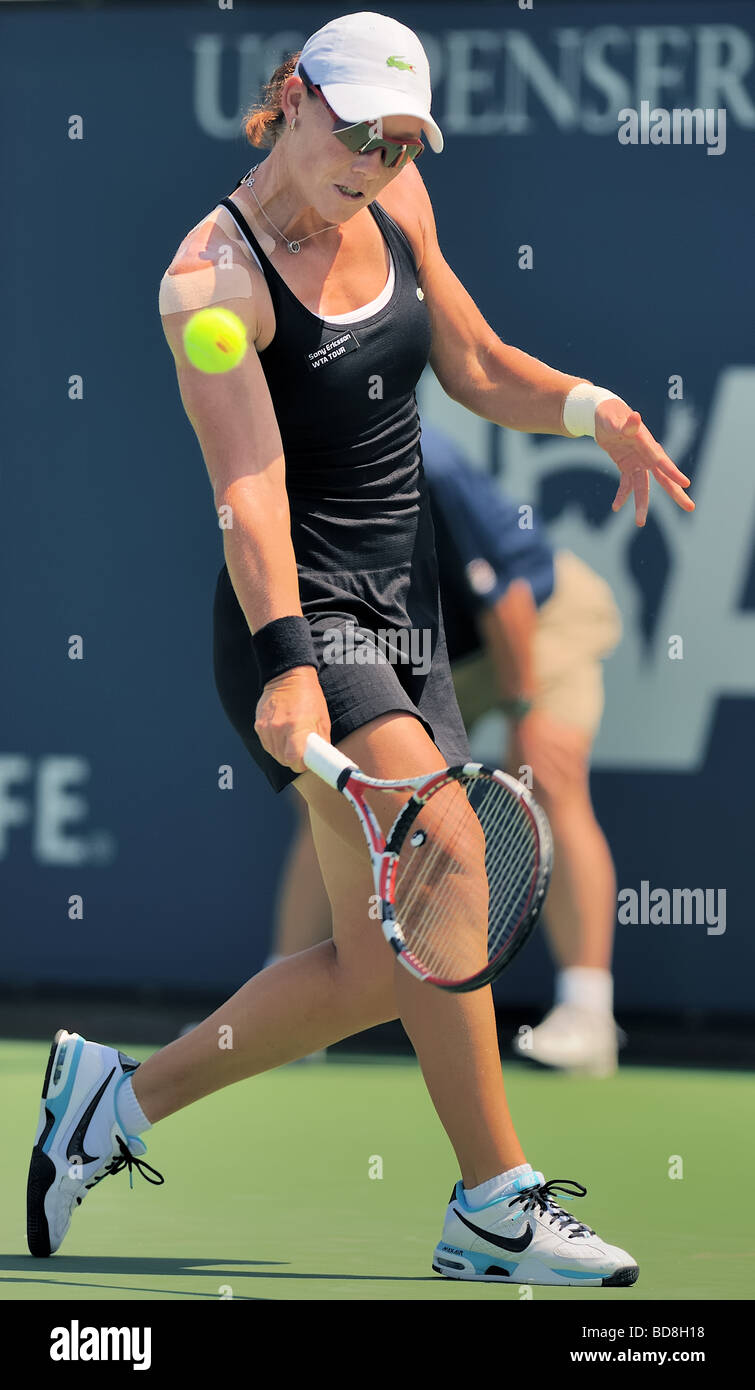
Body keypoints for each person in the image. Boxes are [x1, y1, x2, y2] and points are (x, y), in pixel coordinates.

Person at [26, 12, 693, 1284]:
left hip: (409, 616)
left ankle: (107, 1102)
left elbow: (477, 361)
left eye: (396, 144)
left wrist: (588, 408)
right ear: (290, 99)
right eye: (354, 133)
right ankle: (494, 1202)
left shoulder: (400, 204)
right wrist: (285, 660)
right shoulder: (209, 279)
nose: (372, 163)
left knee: (375, 969)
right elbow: (251, 491)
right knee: (447, 860)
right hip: (300, 614)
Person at [268, 422, 625, 1076]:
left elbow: (506, 596)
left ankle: (587, 1014)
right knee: (327, 803)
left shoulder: (424, 463)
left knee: (550, 778)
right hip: (423, 656)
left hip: (533, 626)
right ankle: (287, 1023)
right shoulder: (275, 475)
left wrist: (524, 711)